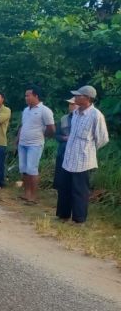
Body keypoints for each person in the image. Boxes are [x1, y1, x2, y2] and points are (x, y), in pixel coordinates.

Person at [57, 86, 110, 224]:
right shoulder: (75, 113)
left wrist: (89, 149)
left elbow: (103, 138)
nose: (75, 98)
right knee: (65, 187)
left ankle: (79, 219)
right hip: (69, 156)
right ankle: (63, 215)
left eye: (78, 96)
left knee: (79, 190)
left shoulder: (96, 115)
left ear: (87, 98)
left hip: (83, 159)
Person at [16, 86, 55, 203]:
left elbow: (51, 128)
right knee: (24, 168)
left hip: (35, 144)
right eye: (25, 95)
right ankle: (26, 193)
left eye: (28, 95)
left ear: (36, 96)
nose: (26, 97)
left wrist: (44, 135)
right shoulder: (26, 110)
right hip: (23, 143)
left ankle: (33, 196)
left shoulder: (45, 110)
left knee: (32, 169)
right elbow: (23, 125)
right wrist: (18, 137)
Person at [53, 97, 77, 191]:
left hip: (76, 150)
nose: (70, 106)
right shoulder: (64, 118)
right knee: (60, 170)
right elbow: (57, 135)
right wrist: (64, 138)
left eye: (73, 104)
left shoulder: (84, 118)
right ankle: (60, 188)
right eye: (70, 104)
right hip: (63, 148)